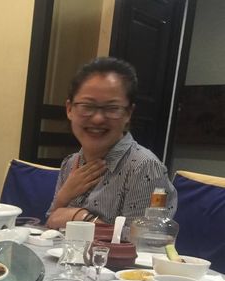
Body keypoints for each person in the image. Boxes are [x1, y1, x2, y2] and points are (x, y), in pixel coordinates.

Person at [46, 57, 177, 229]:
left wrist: (81, 217)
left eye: (112, 108)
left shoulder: (144, 168)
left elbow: (143, 241)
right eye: (87, 106)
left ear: (128, 113)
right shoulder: (70, 163)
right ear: (69, 109)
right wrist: (63, 197)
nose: (98, 118)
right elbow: (50, 226)